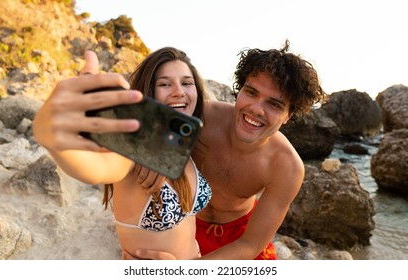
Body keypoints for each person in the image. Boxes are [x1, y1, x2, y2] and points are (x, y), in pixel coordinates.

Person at [133, 40, 328, 260]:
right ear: (240, 89)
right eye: (251, 92)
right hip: (184, 221)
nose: (256, 109)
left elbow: (250, 244)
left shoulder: (287, 167)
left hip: (239, 238)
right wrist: (154, 152)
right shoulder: (201, 118)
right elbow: (142, 121)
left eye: (274, 104)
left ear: (289, 115)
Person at [32, 47, 212, 259]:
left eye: (187, 83)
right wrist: (49, 134)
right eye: (164, 84)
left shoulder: (180, 142)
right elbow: (98, 169)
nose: (179, 91)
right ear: (148, 94)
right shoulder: (131, 152)